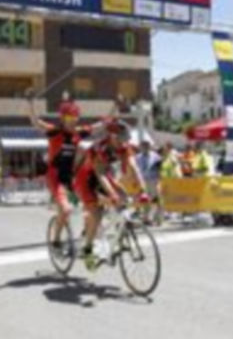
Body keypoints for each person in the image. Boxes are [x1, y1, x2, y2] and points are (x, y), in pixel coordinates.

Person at [74, 118, 149, 271]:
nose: (124, 143)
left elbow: (134, 167)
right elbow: (100, 174)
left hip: (104, 175)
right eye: (121, 139)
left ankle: (114, 236)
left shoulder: (124, 147)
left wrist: (143, 190)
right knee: (97, 213)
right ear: (113, 137)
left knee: (124, 197)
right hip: (86, 178)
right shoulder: (99, 148)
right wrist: (112, 195)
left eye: (126, 140)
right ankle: (87, 249)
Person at [28, 96, 91, 252]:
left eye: (75, 117)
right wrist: (30, 104)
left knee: (93, 205)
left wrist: (114, 111)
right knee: (67, 209)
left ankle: (86, 233)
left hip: (70, 176)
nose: (72, 121)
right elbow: (36, 122)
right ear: (62, 118)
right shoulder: (55, 132)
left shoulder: (78, 133)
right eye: (69, 117)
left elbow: (100, 126)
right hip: (55, 176)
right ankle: (56, 239)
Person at [136, 140, 162, 224]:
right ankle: (146, 218)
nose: (145, 147)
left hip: (153, 180)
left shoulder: (156, 156)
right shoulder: (137, 157)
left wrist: (159, 180)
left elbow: (160, 168)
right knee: (145, 199)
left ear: (149, 147)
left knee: (155, 199)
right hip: (143, 181)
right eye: (143, 146)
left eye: (147, 146)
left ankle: (157, 218)